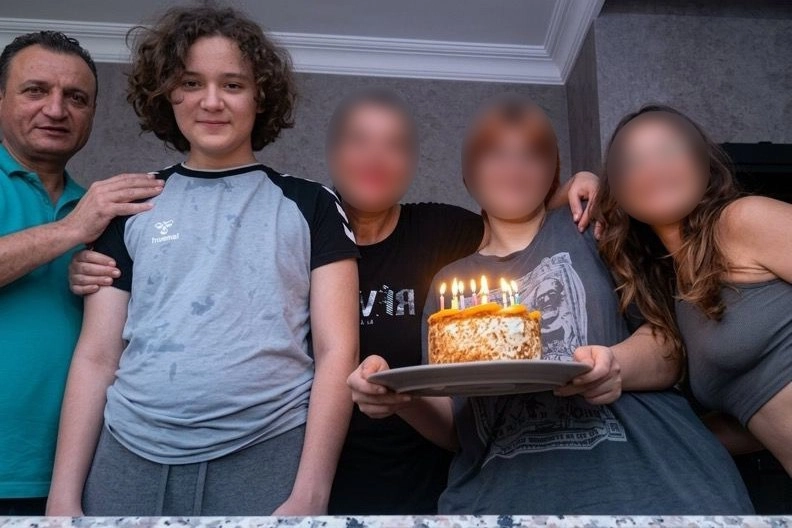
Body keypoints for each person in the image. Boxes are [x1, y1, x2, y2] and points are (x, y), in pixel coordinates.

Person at [68, 86, 599, 515]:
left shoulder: (442, 230)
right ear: (333, 154)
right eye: (358, 141)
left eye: (394, 145)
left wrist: (571, 189)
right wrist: (90, 262)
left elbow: (511, 214)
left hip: (420, 480)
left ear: (412, 162)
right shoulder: (296, 227)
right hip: (294, 472)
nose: (375, 158)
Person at [348, 95, 753, 514]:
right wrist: (400, 399)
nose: (514, 167)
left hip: (649, 485)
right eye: (495, 153)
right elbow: (459, 429)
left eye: (532, 154)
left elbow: (671, 345)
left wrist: (613, 366)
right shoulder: (447, 285)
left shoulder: (593, 229)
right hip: (500, 501)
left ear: (552, 171)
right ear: (469, 173)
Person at [46, 5, 359, 516]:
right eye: (191, 83)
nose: (211, 102)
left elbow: (336, 351)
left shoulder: (313, 205)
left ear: (260, 96)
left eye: (232, 84)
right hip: (128, 454)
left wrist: (312, 491)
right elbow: (96, 356)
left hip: (266, 448)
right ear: (167, 94)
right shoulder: (129, 204)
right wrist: (62, 496)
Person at [595, 104, 792, 505]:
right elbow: (760, 414)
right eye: (632, 162)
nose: (653, 169)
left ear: (703, 161)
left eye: (668, 150)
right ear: (617, 190)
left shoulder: (742, 220)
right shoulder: (680, 295)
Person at [0, 31, 163, 515]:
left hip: (73, 477)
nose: (56, 109)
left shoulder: (105, 212)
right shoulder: (88, 217)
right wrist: (70, 231)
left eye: (76, 98)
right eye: (35, 90)